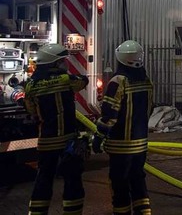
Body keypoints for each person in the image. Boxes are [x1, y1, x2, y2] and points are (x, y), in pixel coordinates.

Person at [24, 43, 89, 215]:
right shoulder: (66, 80)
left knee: (43, 181)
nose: (65, 64)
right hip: (68, 141)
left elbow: (31, 110)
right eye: (62, 61)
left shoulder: (31, 85)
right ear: (55, 64)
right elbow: (83, 81)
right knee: (72, 180)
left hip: (45, 142)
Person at [92, 40, 154, 215]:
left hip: (120, 146)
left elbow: (110, 115)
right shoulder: (146, 80)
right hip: (140, 144)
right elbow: (150, 109)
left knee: (119, 185)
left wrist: (99, 136)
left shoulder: (118, 81)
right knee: (138, 182)